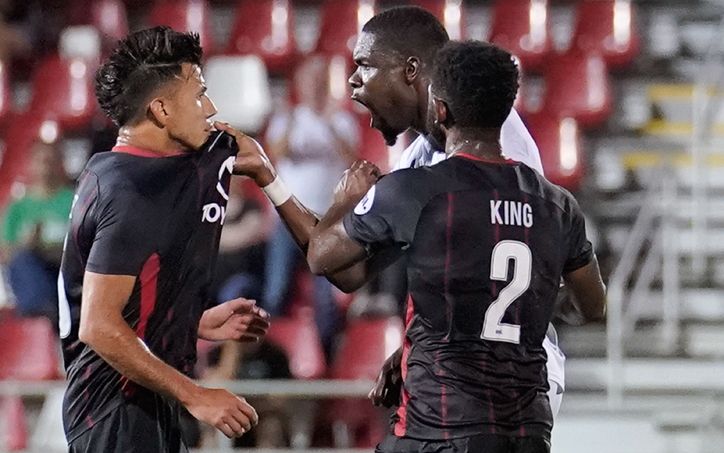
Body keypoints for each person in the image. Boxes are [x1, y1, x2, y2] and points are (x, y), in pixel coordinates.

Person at [305, 41, 606, 453]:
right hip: (527, 431)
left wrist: (345, 197)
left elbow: (322, 257)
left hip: (439, 425)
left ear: (440, 110)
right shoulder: (557, 204)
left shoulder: (418, 190)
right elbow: (592, 306)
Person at [345, 6, 565, 418]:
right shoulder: (421, 155)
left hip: (504, 372)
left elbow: (491, 279)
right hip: (470, 369)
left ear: (411, 71)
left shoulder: (502, 151)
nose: (354, 80)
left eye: (366, 65)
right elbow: (351, 269)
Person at [58, 27, 270, 453]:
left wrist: (192, 323)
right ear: (161, 109)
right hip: (117, 412)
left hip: (127, 404)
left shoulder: (113, 170)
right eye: (199, 94)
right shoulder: (134, 191)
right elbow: (98, 324)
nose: (210, 108)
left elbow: (115, 301)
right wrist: (198, 395)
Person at [262, 55, 359, 356]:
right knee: (276, 290)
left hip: (326, 221)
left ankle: (328, 361)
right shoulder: (288, 119)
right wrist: (292, 121)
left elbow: (352, 156)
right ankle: (269, 356)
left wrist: (328, 122)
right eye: (309, 82)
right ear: (300, 85)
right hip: (289, 219)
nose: (314, 88)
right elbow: (275, 154)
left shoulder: (341, 120)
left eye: (319, 82)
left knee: (325, 300)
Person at [0, 141, 73, 321]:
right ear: (32, 164)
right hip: (32, 273)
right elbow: (5, 253)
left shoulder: (75, 200)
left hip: (65, 269)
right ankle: (40, 315)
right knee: (24, 260)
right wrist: (27, 245)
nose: (46, 168)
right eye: (41, 161)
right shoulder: (18, 207)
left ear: (60, 163)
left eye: (50, 161)